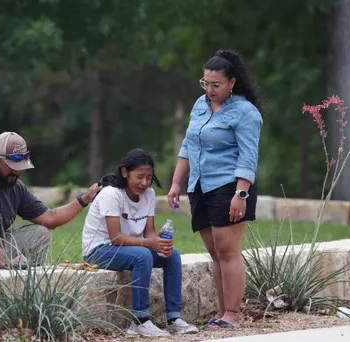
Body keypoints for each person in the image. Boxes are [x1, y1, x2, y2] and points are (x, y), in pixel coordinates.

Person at [167, 50, 263, 329]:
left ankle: (233, 313)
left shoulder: (245, 113)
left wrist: (241, 194)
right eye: (205, 83)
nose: (209, 90)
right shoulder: (200, 105)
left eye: (216, 85)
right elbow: (188, 145)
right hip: (200, 186)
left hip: (229, 187)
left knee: (228, 250)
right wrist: (176, 182)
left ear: (232, 82)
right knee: (214, 253)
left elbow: (248, 156)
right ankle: (222, 312)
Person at [0, 131, 99, 273]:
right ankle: (8, 275)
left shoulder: (15, 186)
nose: (16, 171)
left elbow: (50, 218)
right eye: (12, 165)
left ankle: (28, 283)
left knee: (40, 234)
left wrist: (84, 199)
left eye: (20, 166)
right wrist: (6, 260)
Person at [82, 148, 199, 337]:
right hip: (99, 250)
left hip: (129, 248)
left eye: (149, 177)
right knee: (143, 255)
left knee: (173, 256)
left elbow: (149, 233)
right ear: (125, 173)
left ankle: (174, 319)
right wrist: (149, 244)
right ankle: (140, 321)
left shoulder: (149, 194)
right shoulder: (112, 194)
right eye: (139, 177)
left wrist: (158, 240)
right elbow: (115, 238)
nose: (144, 183)